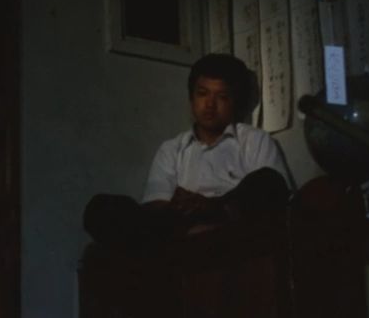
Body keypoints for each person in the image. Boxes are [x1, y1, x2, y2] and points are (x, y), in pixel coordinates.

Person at [84, 53, 292, 246]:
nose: (210, 105)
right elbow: (155, 208)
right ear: (191, 99)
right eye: (202, 94)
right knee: (102, 210)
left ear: (234, 103)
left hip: (233, 233)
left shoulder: (254, 141)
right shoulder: (172, 149)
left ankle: (214, 210)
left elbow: (276, 195)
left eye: (221, 97)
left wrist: (213, 206)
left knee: (268, 181)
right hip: (180, 234)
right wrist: (187, 208)